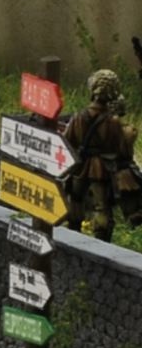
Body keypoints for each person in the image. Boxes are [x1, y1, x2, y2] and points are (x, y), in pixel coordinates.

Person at [64, 69, 127, 241]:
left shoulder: (78, 117)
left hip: (80, 166)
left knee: (75, 200)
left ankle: (72, 234)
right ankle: (101, 242)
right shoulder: (113, 122)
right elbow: (121, 149)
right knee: (101, 207)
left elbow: (67, 141)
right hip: (102, 169)